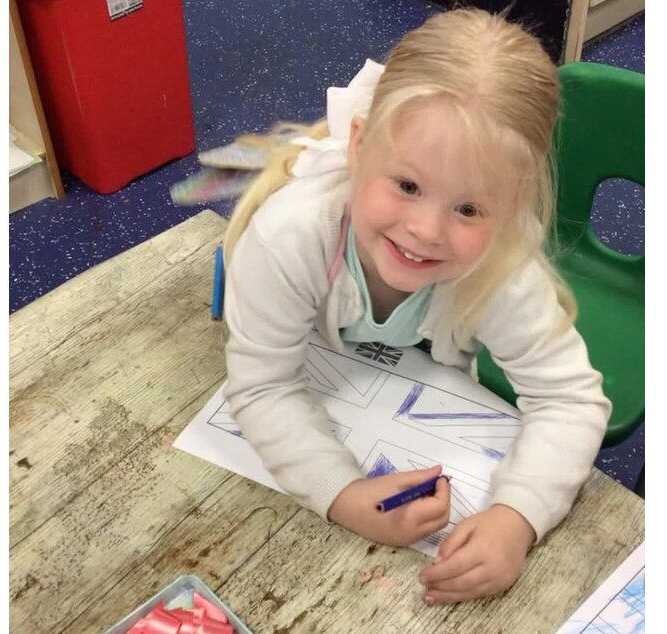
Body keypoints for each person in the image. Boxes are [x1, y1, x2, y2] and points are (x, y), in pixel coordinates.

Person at [221, 9, 610, 604]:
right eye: (407, 186)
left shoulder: (503, 267)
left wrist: (517, 517)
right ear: (359, 147)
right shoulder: (289, 236)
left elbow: (571, 400)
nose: (426, 230)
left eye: (469, 210)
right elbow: (263, 387)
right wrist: (343, 494)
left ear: (513, 205)